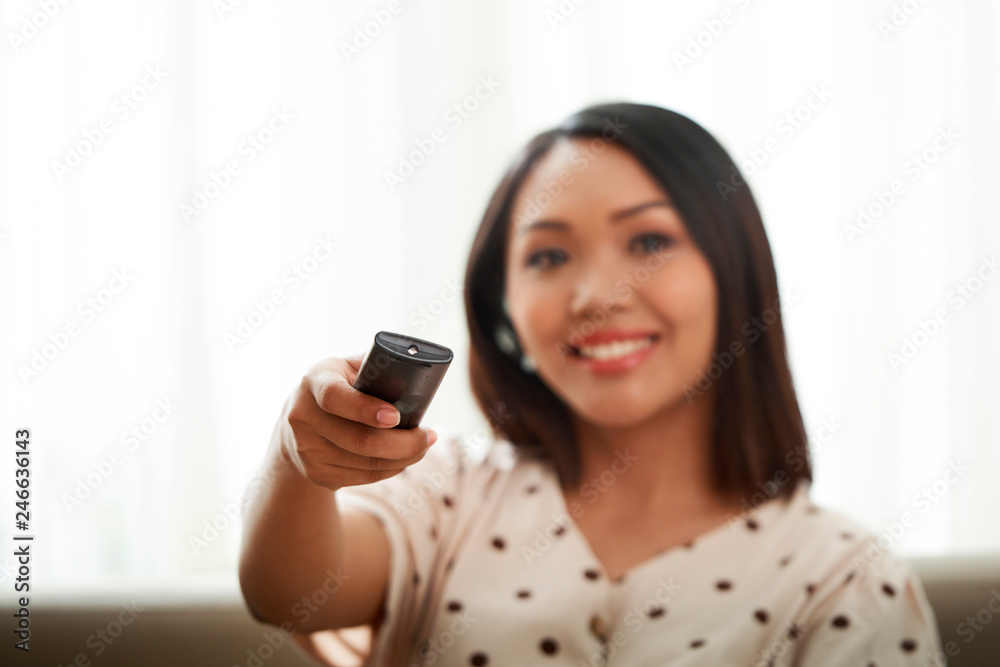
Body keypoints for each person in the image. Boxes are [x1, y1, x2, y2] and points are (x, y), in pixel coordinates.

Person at [238, 102, 944, 666]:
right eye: (548, 256)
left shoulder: (847, 580)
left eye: (649, 242)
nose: (596, 297)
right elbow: (289, 595)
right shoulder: (450, 490)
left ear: (735, 272)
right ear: (503, 308)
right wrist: (299, 462)